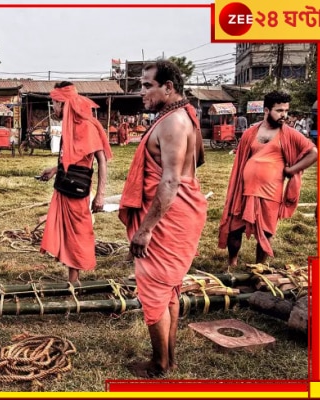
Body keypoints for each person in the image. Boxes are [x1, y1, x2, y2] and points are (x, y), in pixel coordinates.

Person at [119, 60, 207, 378]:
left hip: (168, 218)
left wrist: (145, 230)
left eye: (146, 85)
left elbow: (170, 181)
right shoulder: (186, 118)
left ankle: (158, 364)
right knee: (169, 289)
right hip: (183, 213)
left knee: (154, 290)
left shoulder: (172, 123)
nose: (140, 91)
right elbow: (198, 159)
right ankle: (169, 358)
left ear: (168, 87)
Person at [219, 90, 317, 267]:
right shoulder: (250, 132)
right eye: (279, 111)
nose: (284, 115)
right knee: (235, 228)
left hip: (271, 192)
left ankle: (260, 268)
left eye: (286, 111)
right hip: (245, 190)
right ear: (266, 110)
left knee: (266, 233)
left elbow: (313, 153)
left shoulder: (289, 133)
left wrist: (291, 170)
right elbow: (242, 158)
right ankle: (232, 262)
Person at [37, 81, 111, 284]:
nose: (53, 107)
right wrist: (54, 170)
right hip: (63, 184)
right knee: (66, 232)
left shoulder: (86, 126)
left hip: (77, 190)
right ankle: (72, 277)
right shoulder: (68, 125)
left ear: (64, 104)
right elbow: (71, 157)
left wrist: (101, 194)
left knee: (77, 233)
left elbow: (101, 160)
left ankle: (74, 279)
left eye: (55, 103)